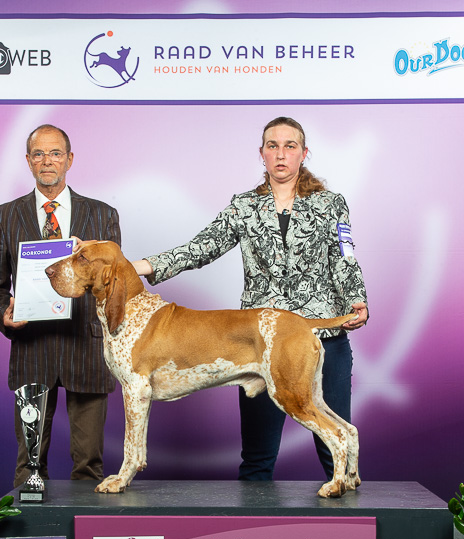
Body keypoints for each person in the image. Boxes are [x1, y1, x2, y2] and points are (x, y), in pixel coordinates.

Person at [133, 116, 368, 481]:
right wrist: (141, 266)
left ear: (304, 153)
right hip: (258, 342)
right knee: (258, 457)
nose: (281, 154)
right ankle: (252, 520)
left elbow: (344, 256)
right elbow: (202, 247)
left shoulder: (331, 204)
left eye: (290, 146)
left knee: (330, 442)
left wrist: (356, 298)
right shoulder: (243, 206)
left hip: (321, 336)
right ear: (262, 154)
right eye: (273, 146)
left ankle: (346, 504)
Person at [0, 124, 121, 487]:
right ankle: (29, 523)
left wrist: (87, 262)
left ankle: (85, 526)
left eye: (55, 153)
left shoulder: (103, 215)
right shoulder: (5, 216)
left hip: (86, 350)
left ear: (69, 160)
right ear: (28, 161)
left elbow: (114, 285)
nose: (47, 161)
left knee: (89, 466)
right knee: (29, 468)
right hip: (32, 350)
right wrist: (3, 314)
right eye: (39, 154)